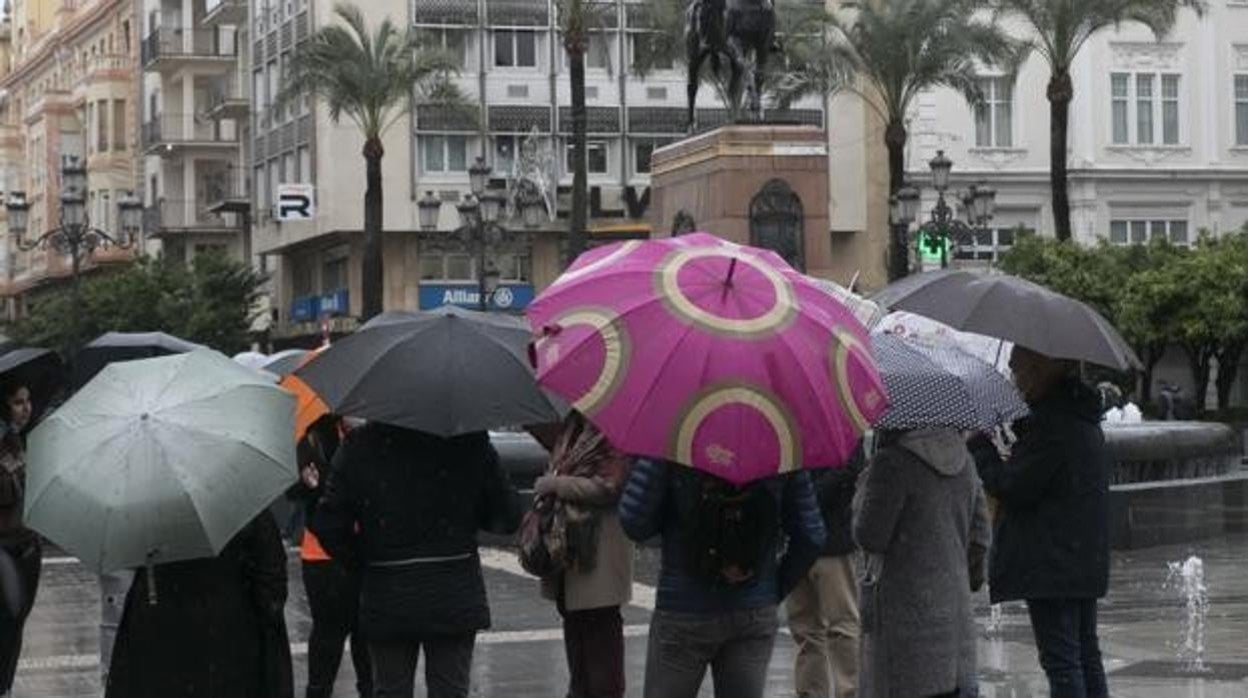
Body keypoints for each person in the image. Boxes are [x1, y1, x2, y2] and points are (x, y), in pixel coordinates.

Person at [312, 424, 522, 698]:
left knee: (390, 689)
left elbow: (329, 523)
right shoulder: (469, 440)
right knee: (450, 690)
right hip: (452, 587)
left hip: (388, 589)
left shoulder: (360, 444)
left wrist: (362, 559)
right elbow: (507, 517)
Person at [970, 346, 1111, 698]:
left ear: (1043, 368)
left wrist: (980, 449)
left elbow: (1015, 486)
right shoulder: (1078, 415)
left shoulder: (1053, 424)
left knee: (1063, 662)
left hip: (1053, 562)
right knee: (1084, 655)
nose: (1015, 379)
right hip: (1078, 557)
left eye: (1019, 370)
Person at [618, 460, 826, 698]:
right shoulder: (782, 447)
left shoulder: (674, 438)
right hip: (753, 608)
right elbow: (811, 536)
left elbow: (635, 523)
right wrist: (773, 590)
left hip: (684, 605)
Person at [853, 429, 990, 698]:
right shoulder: (965, 462)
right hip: (955, 623)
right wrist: (969, 577)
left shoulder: (891, 463)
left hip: (902, 628)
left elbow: (870, 537)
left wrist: (863, 491)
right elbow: (981, 537)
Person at [105, 513, 294, 697]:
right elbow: (271, 583)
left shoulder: (148, 508)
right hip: (231, 645)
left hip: (161, 641)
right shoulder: (242, 505)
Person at [533, 413, 634, 698]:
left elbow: (609, 487)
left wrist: (556, 485)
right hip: (568, 548)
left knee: (600, 637)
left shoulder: (615, 430)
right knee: (575, 630)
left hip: (598, 550)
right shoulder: (573, 426)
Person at [288, 415, 372, 698]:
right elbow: (296, 490)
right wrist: (308, 483)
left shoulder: (375, 438)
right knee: (328, 636)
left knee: (367, 635)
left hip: (365, 553)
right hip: (324, 555)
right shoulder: (315, 437)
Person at [786, 447, 863, 698]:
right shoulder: (789, 415)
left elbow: (851, 468)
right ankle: (812, 692)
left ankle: (848, 692)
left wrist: (806, 497)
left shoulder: (841, 415)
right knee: (805, 629)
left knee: (841, 625)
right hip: (798, 542)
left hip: (830, 540)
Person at [0, 381, 39, 698]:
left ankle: (7, 686)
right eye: (17, 402)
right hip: (3, 551)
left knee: (16, 625)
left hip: (27, 547)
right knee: (5, 622)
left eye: (28, 401)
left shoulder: (22, 441)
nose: (26, 408)